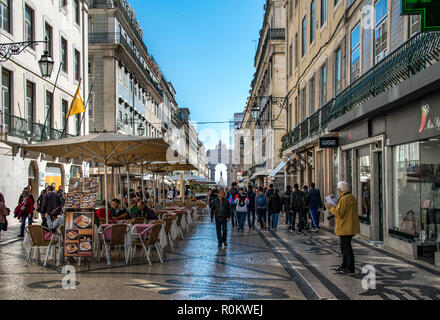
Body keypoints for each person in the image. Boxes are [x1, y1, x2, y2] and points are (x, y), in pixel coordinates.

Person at [325, 181, 361, 276]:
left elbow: (339, 213)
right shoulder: (351, 197)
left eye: (338, 189)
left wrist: (330, 207)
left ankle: (349, 267)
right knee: (344, 246)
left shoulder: (344, 199)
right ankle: (344, 265)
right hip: (350, 226)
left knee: (346, 247)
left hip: (345, 226)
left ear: (340, 190)